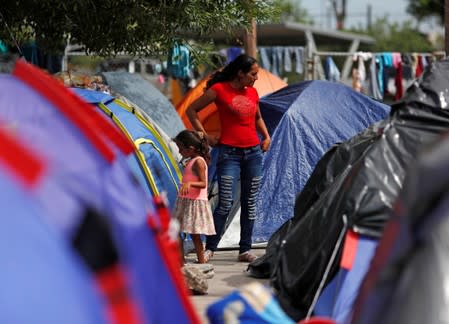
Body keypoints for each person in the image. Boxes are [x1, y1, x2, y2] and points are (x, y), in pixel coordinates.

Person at [186, 54, 271, 263]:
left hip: (253, 153)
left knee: (249, 203)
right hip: (229, 153)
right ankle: (210, 247)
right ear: (240, 74)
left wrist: (267, 136)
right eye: (253, 74)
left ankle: (245, 249)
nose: (256, 78)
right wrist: (204, 136)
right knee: (225, 202)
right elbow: (191, 110)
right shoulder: (219, 90)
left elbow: (258, 117)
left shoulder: (252, 92)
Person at [172, 130, 216, 264]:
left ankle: (202, 262)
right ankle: (180, 262)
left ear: (190, 148)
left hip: (194, 203)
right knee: (176, 230)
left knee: (195, 236)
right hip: (185, 201)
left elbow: (203, 183)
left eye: (181, 149)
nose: (179, 152)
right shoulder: (191, 160)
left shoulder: (199, 162)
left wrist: (189, 184)